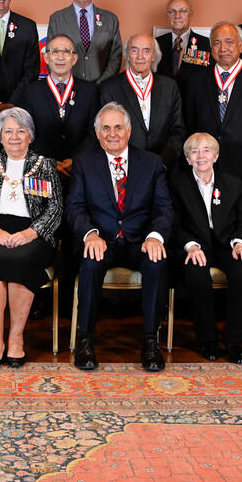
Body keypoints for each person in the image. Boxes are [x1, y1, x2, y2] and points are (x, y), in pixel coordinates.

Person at [67, 103, 174, 372]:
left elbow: (164, 208)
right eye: (106, 128)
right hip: (102, 240)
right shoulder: (84, 162)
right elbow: (75, 207)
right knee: (90, 263)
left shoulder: (151, 162)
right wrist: (90, 234)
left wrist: (154, 237)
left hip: (140, 241)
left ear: (129, 130)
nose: (112, 134)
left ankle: (151, 341)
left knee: (157, 263)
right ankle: (85, 341)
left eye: (118, 127)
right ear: (97, 133)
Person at [0, 107, 64, 369]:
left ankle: (16, 337)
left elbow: (55, 208)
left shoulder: (45, 165)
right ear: (0, 136)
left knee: (21, 259)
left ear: (30, 135)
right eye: (8, 131)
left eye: (21, 131)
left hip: (34, 233)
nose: (14, 136)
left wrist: (31, 232)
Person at [169, 133, 242, 364]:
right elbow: (173, 224)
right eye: (194, 151)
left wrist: (240, 243)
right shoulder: (177, 183)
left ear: (216, 156)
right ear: (188, 158)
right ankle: (207, 340)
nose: (201, 156)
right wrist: (190, 246)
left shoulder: (233, 183)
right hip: (195, 246)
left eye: (206, 150)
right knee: (196, 275)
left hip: (227, 245)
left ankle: (234, 342)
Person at [183, 22, 242, 210]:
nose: (223, 48)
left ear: (240, 46)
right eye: (217, 43)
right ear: (211, 47)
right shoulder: (196, 81)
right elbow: (190, 127)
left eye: (229, 42)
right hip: (204, 171)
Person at [10, 33, 97, 179]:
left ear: (74, 58)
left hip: (80, 170)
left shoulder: (90, 91)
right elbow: (23, 132)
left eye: (66, 52)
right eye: (55, 51)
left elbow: (94, 132)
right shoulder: (30, 91)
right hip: (40, 171)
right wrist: (47, 162)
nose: (60, 57)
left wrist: (77, 160)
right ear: (46, 58)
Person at [99, 33, 187, 169]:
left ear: (153, 56)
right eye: (134, 51)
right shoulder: (109, 88)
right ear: (128, 55)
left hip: (163, 168)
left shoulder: (170, 87)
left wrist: (162, 163)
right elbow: (105, 133)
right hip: (124, 168)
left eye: (146, 51)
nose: (140, 57)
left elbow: (177, 131)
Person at [46, 0, 122, 84]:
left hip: (102, 88)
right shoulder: (57, 19)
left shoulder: (110, 19)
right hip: (68, 88)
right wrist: (65, 84)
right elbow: (51, 57)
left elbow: (115, 58)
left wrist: (101, 85)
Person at [155, 0, 211, 91]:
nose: (177, 16)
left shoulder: (206, 44)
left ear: (191, 14)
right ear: (167, 15)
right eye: (172, 11)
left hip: (193, 99)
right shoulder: (155, 43)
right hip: (164, 98)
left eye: (183, 11)